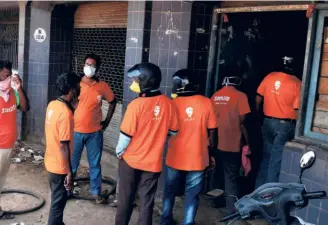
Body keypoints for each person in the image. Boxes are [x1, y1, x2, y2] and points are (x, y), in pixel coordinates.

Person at [115, 62, 179, 225]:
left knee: (125, 200)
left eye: (136, 79)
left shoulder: (136, 105)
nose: (134, 82)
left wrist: (119, 153)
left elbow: (125, 137)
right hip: (153, 163)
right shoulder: (168, 103)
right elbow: (174, 131)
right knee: (146, 202)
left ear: (147, 81)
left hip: (130, 161)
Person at [161, 69, 218, 225]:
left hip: (175, 156)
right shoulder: (206, 102)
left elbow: (165, 131)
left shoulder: (171, 104)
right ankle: (188, 222)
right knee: (192, 194)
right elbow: (212, 132)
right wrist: (211, 154)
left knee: (170, 190)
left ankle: (165, 219)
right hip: (198, 157)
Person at [71, 53, 117, 203]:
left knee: (95, 164)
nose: (88, 68)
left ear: (97, 68)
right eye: (87, 64)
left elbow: (113, 102)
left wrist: (107, 122)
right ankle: (67, 190)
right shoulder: (75, 83)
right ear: (83, 65)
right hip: (75, 131)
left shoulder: (102, 86)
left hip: (95, 133)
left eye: (92, 65)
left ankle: (96, 193)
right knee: (72, 163)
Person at [210, 64, 251, 213]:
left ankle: (215, 200)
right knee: (231, 176)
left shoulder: (215, 96)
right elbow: (242, 119)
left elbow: (211, 120)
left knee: (217, 173)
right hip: (232, 143)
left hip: (216, 142)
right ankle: (231, 209)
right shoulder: (241, 96)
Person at [255, 56, 301, 187]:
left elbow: (258, 100)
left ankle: (257, 191)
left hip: (267, 122)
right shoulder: (297, 83)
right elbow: (297, 110)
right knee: (276, 161)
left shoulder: (269, 77)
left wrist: (259, 118)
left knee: (266, 158)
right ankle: (268, 195)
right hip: (284, 125)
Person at [44, 72, 81, 225]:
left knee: (56, 199)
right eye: (77, 87)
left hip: (50, 162)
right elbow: (63, 146)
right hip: (60, 167)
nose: (79, 90)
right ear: (72, 89)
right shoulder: (66, 114)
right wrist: (69, 172)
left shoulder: (52, 105)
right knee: (57, 205)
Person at [0, 60, 29, 214]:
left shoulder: (13, 91)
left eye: (9, 75)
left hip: (8, 143)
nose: (8, 78)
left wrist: (19, 88)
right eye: (5, 75)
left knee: (1, 178)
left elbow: (25, 108)